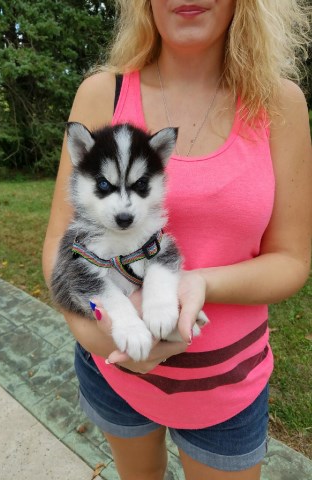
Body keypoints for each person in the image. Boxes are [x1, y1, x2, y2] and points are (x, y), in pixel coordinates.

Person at [42, 1, 312, 478]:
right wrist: (103, 339)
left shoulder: (280, 103)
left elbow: (292, 260)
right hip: (114, 374)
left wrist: (197, 283)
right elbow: (62, 246)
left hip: (227, 385)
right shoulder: (102, 92)